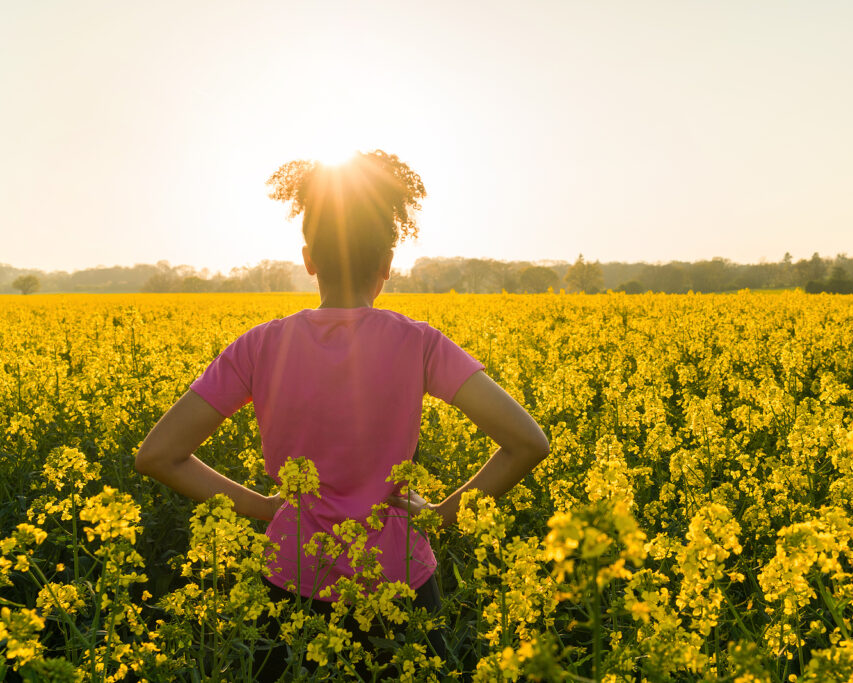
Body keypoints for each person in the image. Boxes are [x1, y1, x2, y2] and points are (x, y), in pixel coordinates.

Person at [133, 151, 551, 680]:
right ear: (388, 263)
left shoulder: (259, 347)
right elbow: (528, 443)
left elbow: (158, 455)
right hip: (400, 585)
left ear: (308, 258)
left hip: (291, 583)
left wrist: (266, 509)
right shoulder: (419, 344)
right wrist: (444, 515)